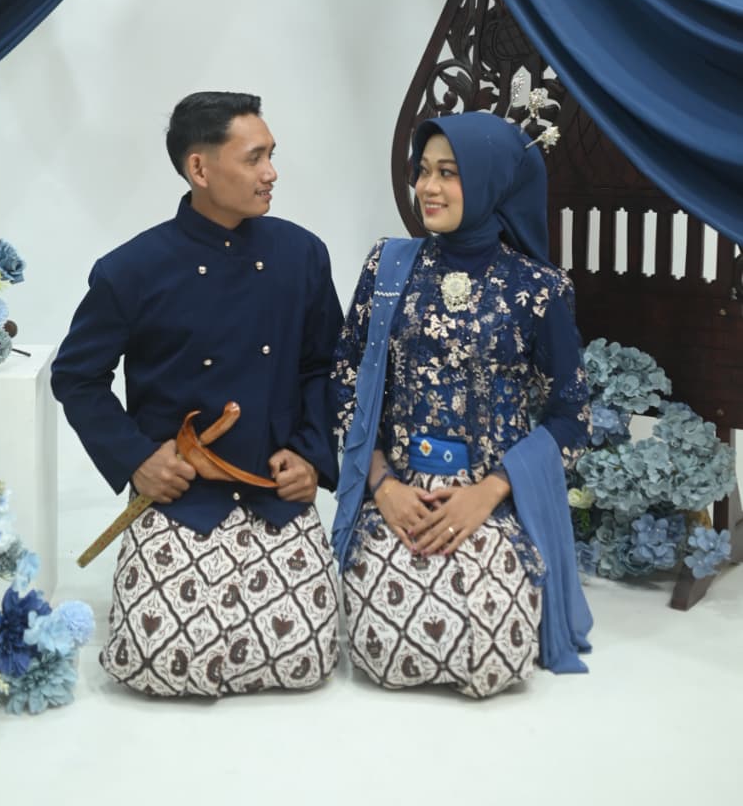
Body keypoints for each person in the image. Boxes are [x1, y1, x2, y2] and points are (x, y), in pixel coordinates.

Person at [51, 92, 343, 697]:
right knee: (155, 661)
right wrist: (138, 459)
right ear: (199, 169)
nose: (272, 172)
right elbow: (76, 376)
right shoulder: (130, 269)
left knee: (305, 657)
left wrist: (312, 456)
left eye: (272, 154)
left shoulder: (303, 255)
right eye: (254, 157)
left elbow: (323, 366)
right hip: (182, 496)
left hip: (273, 491)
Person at [331, 111, 592, 698]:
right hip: (398, 495)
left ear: (491, 181)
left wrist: (490, 493)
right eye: (423, 171)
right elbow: (345, 381)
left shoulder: (539, 289)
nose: (428, 187)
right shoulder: (388, 267)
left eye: (449, 173)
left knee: (497, 658)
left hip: (490, 501)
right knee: (383, 648)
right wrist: (382, 485)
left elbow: (571, 417)